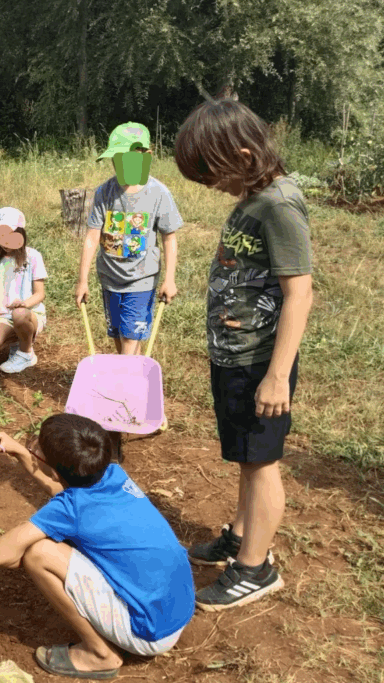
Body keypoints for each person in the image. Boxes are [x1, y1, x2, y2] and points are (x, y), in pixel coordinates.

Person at [175, 99, 313, 611]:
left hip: (260, 363)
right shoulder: (253, 197)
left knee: (262, 464)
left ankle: (254, 568)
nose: (211, 185)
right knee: (245, 455)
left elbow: (299, 292)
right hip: (235, 357)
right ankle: (240, 533)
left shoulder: (278, 205)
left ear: (244, 153)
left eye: (212, 174)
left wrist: (277, 377)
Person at [0, 414, 194, 679]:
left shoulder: (70, 508)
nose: (34, 445)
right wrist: (19, 451)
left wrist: (21, 553)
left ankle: (100, 655)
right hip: (174, 606)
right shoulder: (113, 474)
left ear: (55, 469)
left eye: (38, 447)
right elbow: (61, 487)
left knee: (39, 554)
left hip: (149, 631)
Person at [75, 122, 183, 356]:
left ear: (145, 156)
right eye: (116, 159)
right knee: (117, 334)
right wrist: (82, 280)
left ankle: (125, 388)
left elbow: (169, 237)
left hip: (141, 280)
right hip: (109, 278)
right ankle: (132, 377)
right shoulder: (104, 192)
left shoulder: (158, 193)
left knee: (129, 338)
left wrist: (170, 279)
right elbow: (92, 237)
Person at [0, 207, 47, 374]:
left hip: (29, 314)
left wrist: (24, 303)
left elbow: (40, 293)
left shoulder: (33, 256)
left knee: (19, 314)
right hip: (4, 316)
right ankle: (17, 341)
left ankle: (26, 353)